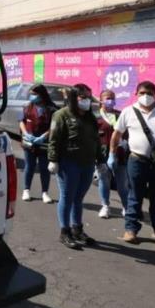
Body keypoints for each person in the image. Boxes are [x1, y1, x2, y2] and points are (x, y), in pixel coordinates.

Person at [111, 81, 155, 245]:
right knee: (135, 196)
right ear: (136, 94)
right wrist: (112, 154)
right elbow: (117, 135)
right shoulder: (128, 112)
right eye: (142, 93)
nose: (146, 96)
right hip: (137, 160)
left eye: (150, 93)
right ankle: (131, 230)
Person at [47, 83, 101, 249]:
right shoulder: (61, 115)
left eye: (89, 97)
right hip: (68, 163)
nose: (87, 101)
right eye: (83, 97)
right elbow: (54, 139)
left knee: (79, 198)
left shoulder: (90, 117)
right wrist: (53, 160)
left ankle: (77, 229)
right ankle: (65, 232)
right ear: (73, 98)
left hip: (87, 163)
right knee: (67, 197)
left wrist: (101, 160)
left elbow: (96, 140)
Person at [20, 84, 57, 204]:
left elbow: (54, 127)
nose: (32, 96)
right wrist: (25, 133)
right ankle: (26, 190)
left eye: (34, 94)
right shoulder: (27, 106)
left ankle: (45, 192)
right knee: (29, 167)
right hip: (29, 142)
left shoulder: (52, 109)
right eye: (31, 94)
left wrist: (43, 137)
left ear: (41, 94)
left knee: (44, 168)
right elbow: (22, 121)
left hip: (44, 143)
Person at [96, 89, 130, 219]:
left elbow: (127, 133)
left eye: (113, 98)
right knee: (104, 181)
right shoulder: (96, 117)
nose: (111, 100)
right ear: (101, 100)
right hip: (103, 155)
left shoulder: (120, 115)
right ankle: (105, 206)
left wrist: (125, 143)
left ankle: (126, 207)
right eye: (108, 98)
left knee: (122, 183)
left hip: (120, 154)